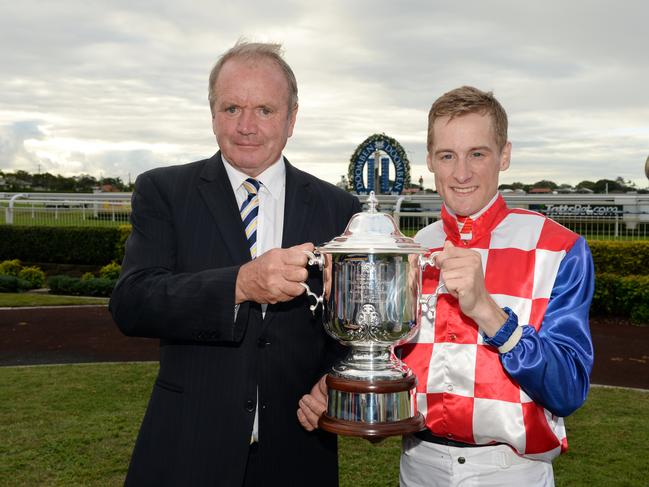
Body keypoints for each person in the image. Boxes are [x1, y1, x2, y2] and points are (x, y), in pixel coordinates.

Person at [297, 86, 594, 487]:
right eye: (447, 156)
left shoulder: (557, 248)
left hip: (509, 473)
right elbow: (389, 361)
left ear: (504, 155)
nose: (462, 173)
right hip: (418, 465)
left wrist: (489, 313)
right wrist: (336, 390)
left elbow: (568, 390)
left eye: (478, 153)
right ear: (430, 161)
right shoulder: (411, 251)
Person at [109, 40, 360, 486]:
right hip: (187, 450)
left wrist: (335, 382)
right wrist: (240, 284)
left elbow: (352, 328)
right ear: (212, 113)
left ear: (292, 118)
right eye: (231, 109)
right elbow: (132, 302)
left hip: (299, 455)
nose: (247, 126)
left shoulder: (338, 208)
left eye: (264, 109)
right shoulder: (165, 191)